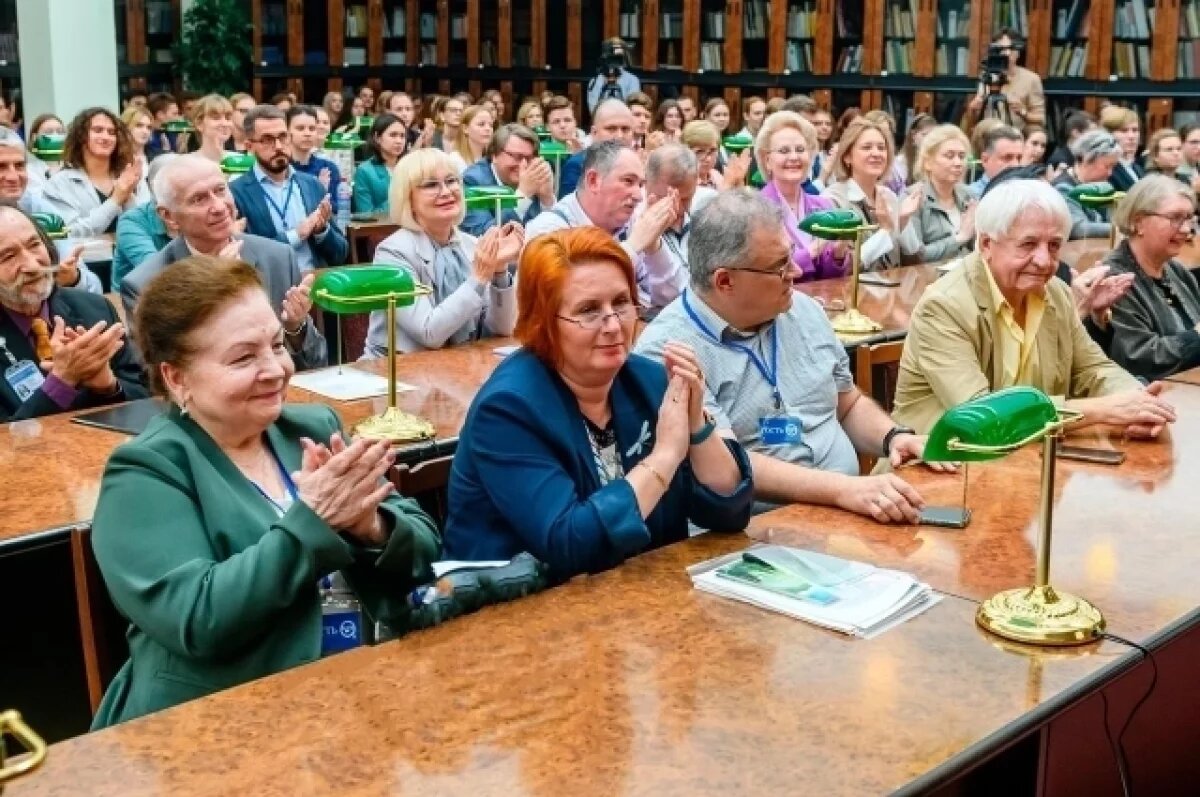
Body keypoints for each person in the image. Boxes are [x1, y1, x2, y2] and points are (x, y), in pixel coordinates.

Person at [90, 256, 439, 727]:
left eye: (276, 344)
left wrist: (369, 525)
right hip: (220, 723)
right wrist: (313, 522)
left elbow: (424, 548)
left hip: (359, 691)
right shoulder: (146, 471)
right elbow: (199, 619)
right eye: (243, 357)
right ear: (177, 378)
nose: (276, 369)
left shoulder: (312, 426)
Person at [443, 226, 752, 578]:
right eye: (589, 310)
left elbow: (730, 512)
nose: (613, 324)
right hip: (511, 612)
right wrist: (665, 456)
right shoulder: (507, 412)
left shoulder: (648, 381)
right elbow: (570, 544)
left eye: (621, 303)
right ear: (544, 322)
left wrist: (697, 426)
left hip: (634, 600)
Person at [635, 190, 940, 524]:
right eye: (779, 266)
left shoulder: (803, 310)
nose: (795, 272)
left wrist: (894, 437)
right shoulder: (668, 351)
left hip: (846, 514)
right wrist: (843, 490)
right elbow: (728, 464)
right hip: (754, 534)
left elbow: (847, 404)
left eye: (791, 256)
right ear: (724, 281)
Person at [892, 179, 1175, 437]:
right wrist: (1102, 410)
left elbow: (1094, 369)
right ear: (987, 244)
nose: (1044, 260)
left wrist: (1138, 401)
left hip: (1032, 458)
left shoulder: (1056, 293)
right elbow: (982, 415)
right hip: (938, 471)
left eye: (1053, 245)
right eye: (1028, 244)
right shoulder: (944, 306)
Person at [122, 155, 326, 369]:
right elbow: (155, 377)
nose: (219, 207)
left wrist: (295, 328)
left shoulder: (277, 257)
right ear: (169, 216)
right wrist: (212, 290)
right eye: (199, 199)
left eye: (220, 190)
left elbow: (316, 363)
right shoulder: (145, 285)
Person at [364, 148, 522, 356]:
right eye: (431, 185)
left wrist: (500, 271)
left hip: (458, 368)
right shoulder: (392, 253)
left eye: (451, 181)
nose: (447, 192)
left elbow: (502, 330)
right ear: (408, 198)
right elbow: (429, 333)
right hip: (398, 376)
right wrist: (479, 277)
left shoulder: (471, 244)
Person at [0, 205, 146, 422]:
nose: (32, 265)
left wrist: (108, 386)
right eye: (8, 256)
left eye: (34, 245)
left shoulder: (94, 309)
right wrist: (61, 382)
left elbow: (147, 400)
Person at [527, 140, 679, 308]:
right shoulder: (548, 229)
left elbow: (672, 298)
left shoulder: (633, 223)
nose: (638, 195)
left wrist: (653, 245)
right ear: (593, 181)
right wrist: (633, 245)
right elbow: (570, 300)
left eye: (641, 185)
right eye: (628, 181)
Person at [1102, 175, 1200, 380]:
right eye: (1175, 218)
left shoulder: (1177, 271)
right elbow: (1139, 357)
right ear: (1138, 222)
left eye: (1189, 218)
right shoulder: (1115, 281)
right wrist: (1196, 338)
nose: (1186, 229)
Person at [230, 106, 348, 271]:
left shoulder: (312, 185)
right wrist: (296, 235)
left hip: (314, 284)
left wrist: (321, 231)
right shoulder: (237, 193)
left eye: (283, 137)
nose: (278, 146)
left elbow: (340, 254)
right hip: (269, 289)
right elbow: (248, 259)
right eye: (267, 139)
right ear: (249, 146)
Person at [755, 111, 849, 280]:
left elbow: (830, 277)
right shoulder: (756, 210)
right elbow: (764, 269)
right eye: (784, 151)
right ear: (767, 160)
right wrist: (811, 252)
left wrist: (838, 254)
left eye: (800, 150)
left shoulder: (823, 206)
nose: (794, 157)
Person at [825, 117, 920, 270]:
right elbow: (846, 268)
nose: (876, 153)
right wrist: (885, 231)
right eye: (867, 147)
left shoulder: (889, 196)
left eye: (881, 148)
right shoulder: (832, 200)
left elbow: (913, 256)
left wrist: (903, 220)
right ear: (847, 156)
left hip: (891, 289)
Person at [42, 107, 151, 238]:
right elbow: (68, 233)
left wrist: (128, 198)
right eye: (98, 130)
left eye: (111, 132)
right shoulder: (60, 183)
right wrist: (115, 200)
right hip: (85, 257)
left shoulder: (130, 176)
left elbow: (148, 227)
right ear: (81, 136)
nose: (106, 137)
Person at [631, 144, 715, 309]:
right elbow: (665, 296)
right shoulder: (630, 216)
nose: (677, 209)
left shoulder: (707, 205)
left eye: (685, 199)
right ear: (646, 181)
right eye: (667, 198)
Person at [461, 123, 553, 237]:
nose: (523, 165)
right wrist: (523, 195)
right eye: (517, 157)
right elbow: (481, 235)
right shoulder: (472, 180)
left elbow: (551, 234)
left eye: (529, 158)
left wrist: (547, 199)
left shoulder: (534, 176)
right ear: (494, 155)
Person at [903, 124, 976, 264]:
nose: (958, 163)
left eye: (962, 156)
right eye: (949, 156)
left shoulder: (969, 195)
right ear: (928, 163)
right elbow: (916, 256)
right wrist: (959, 238)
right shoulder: (913, 198)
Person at [112, 154, 175, 291]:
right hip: (134, 301)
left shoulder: (194, 212)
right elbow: (156, 272)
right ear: (155, 187)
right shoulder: (132, 221)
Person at [966, 28, 1045, 131]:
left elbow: (1041, 119)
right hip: (990, 132)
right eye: (1001, 49)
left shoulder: (1031, 79)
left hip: (1016, 133)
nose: (1007, 53)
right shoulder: (987, 76)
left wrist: (1023, 112)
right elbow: (974, 119)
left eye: (1011, 49)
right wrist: (973, 109)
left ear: (1018, 52)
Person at [1052, 128, 1122, 240]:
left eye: (1113, 167)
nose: (1110, 173)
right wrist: (1120, 229)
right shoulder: (1063, 188)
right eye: (1107, 166)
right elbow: (1078, 228)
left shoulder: (1100, 186)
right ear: (1085, 159)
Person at [557, 100, 635, 198]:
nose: (619, 136)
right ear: (594, 133)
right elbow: (568, 210)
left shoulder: (638, 165)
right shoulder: (577, 166)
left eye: (625, 129)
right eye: (611, 128)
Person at [352, 113, 407, 214]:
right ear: (377, 138)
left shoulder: (410, 167)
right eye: (393, 135)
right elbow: (366, 214)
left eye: (402, 136)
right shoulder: (365, 171)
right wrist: (399, 198)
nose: (399, 141)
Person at [286, 105, 342, 203]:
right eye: (300, 128)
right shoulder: (281, 169)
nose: (307, 133)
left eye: (312, 128)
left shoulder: (328, 168)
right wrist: (317, 192)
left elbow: (337, 208)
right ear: (287, 132)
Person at [586, 37, 641, 112]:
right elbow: (593, 110)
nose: (615, 59)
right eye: (612, 56)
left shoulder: (632, 80)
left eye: (618, 57)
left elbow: (632, 108)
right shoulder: (595, 81)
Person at [1101, 105, 1143, 191]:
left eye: (1135, 130)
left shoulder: (1138, 168)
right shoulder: (1107, 170)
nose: (1131, 136)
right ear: (1109, 134)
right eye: (1124, 131)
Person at [25, 114, 66, 197]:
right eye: (48, 132)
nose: (55, 136)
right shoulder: (28, 172)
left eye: (60, 132)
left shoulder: (75, 168)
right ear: (35, 138)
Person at [185, 94, 234, 163]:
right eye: (216, 118)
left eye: (228, 118)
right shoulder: (186, 163)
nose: (224, 123)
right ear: (199, 124)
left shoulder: (242, 162)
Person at [682, 120, 727, 190]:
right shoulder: (682, 183)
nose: (708, 159)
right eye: (700, 152)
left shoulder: (717, 176)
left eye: (712, 150)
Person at [895, 113, 936, 187]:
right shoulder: (900, 162)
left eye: (933, 136)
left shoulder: (937, 160)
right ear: (913, 135)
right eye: (924, 135)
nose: (929, 140)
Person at [450, 105, 494, 173]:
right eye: (481, 124)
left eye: (491, 125)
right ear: (465, 128)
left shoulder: (493, 159)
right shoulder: (455, 160)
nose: (488, 129)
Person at [120, 107, 154, 176]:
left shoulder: (157, 156)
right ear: (126, 127)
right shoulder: (115, 157)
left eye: (149, 127)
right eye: (139, 125)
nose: (145, 131)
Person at [145, 92, 180, 159]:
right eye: (174, 114)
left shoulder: (171, 133)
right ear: (160, 115)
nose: (178, 118)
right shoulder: (147, 136)